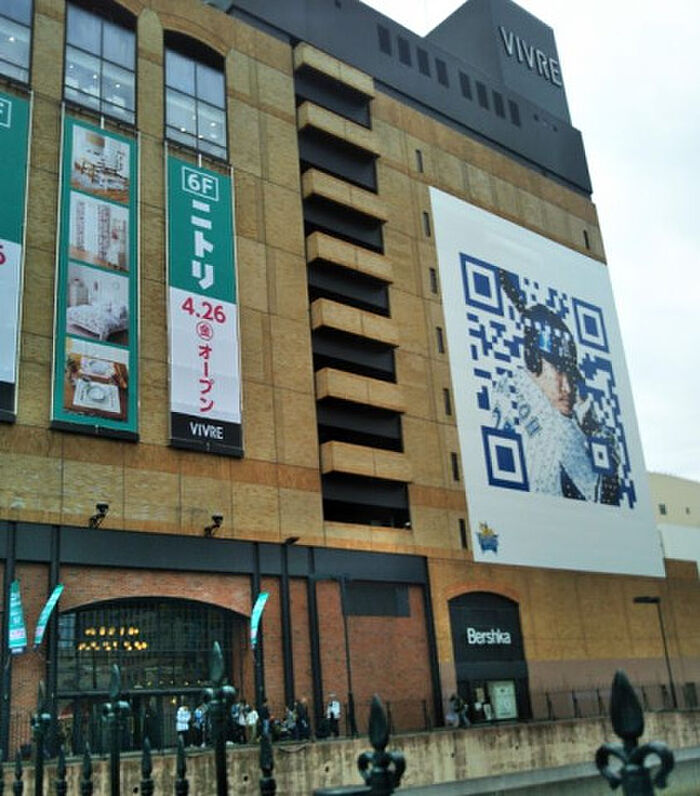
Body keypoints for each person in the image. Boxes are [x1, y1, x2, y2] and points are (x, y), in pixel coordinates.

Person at [491, 301, 620, 505]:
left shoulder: (507, 390)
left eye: (571, 375)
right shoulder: (557, 428)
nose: (567, 387)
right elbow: (603, 496)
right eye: (559, 371)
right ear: (533, 361)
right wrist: (595, 432)